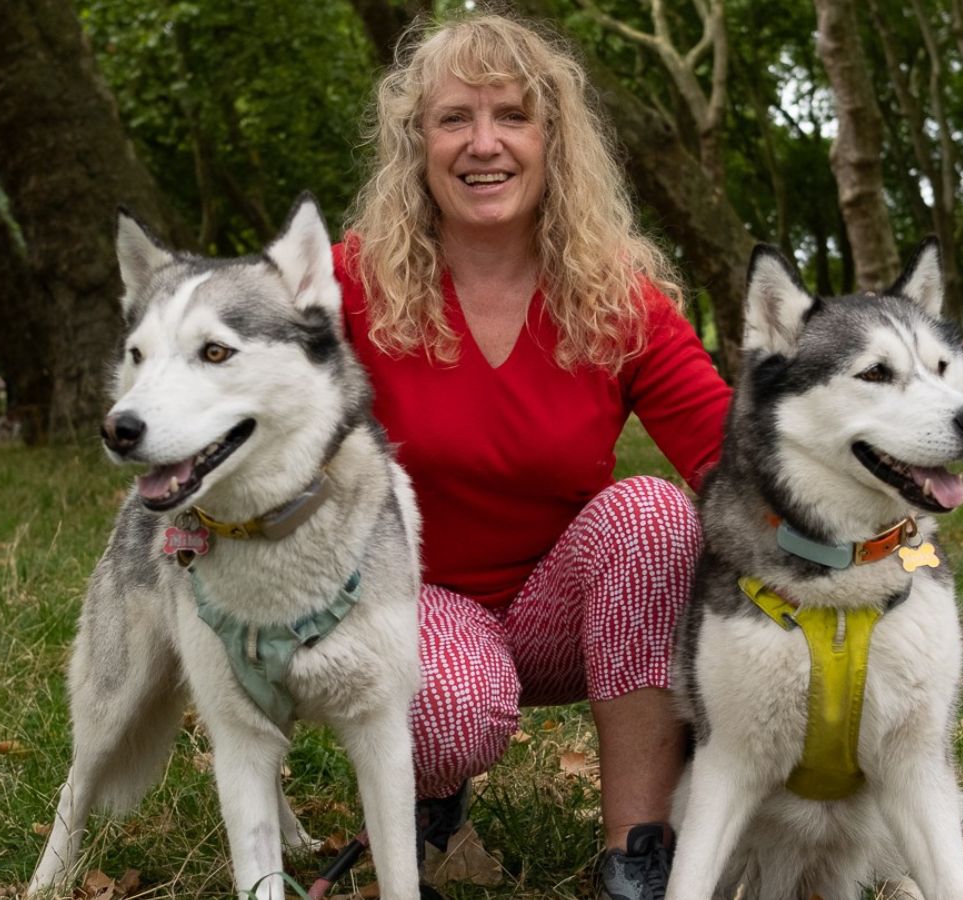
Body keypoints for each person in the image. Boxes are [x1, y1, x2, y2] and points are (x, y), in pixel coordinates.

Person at [335, 15, 732, 899]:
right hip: (418, 596)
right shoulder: (350, 284)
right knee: (449, 713)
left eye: (512, 115)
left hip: (570, 608)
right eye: (453, 119)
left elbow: (730, 457)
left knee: (653, 514)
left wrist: (869, 527)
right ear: (416, 144)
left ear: (552, 139)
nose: (484, 144)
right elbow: (241, 391)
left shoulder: (616, 296)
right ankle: (428, 805)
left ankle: (639, 852)